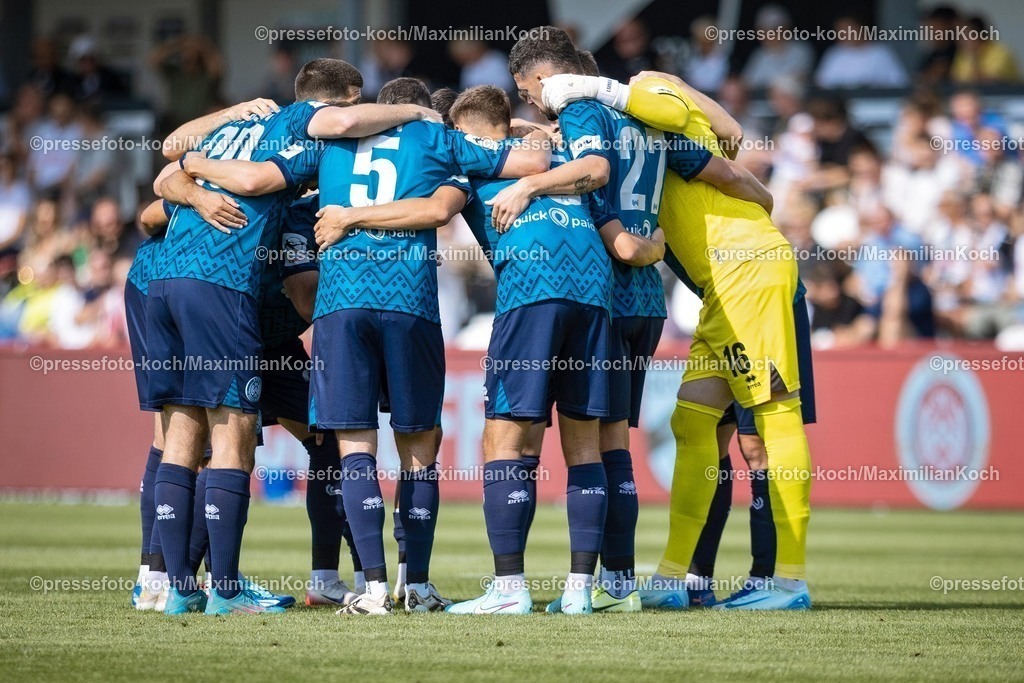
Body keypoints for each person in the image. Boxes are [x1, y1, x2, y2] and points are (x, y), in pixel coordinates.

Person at [178, 76, 549, 615]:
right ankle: (416, 585)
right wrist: (523, 126)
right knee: (419, 447)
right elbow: (529, 164)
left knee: (354, 449)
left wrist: (192, 167)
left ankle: (371, 589)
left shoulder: (326, 143)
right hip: (409, 302)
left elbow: (258, 178)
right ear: (421, 110)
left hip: (341, 305)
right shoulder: (438, 139)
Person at [146, 58, 442, 616]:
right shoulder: (305, 140)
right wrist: (413, 111)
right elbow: (249, 187)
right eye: (357, 112)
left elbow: (160, 184)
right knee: (228, 437)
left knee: (188, 434)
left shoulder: (244, 130)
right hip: (226, 299)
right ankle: (219, 589)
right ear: (340, 105)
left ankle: (172, 585)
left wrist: (195, 178)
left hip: (182, 293)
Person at [543, 67, 814, 610]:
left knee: (774, 412)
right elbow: (729, 130)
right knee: (692, 422)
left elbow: (675, 109)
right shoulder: (633, 131)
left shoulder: (644, 98)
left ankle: (787, 581)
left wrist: (608, 87)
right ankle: (673, 578)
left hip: (746, 270)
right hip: (720, 287)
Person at [814, 16, 909, 89]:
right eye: (840, 31)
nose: (844, 34)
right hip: (841, 104)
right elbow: (822, 84)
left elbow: (900, 82)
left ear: (861, 29)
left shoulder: (881, 52)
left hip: (876, 103)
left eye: (848, 30)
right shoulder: (835, 53)